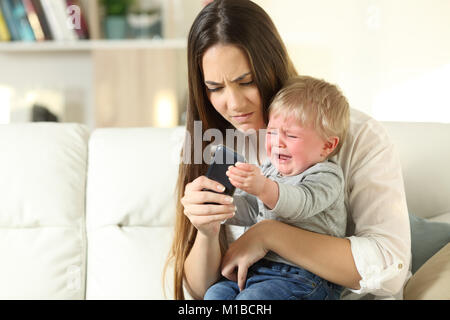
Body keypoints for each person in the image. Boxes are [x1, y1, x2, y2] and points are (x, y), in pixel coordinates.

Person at [165, 0, 411, 300]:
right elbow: (200, 293)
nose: (234, 104)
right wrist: (206, 230)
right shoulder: (212, 142)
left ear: (272, 65)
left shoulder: (355, 135)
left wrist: (270, 235)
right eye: (215, 88)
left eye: (247, 82)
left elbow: (390, 268)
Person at [203, 75, 350, 300]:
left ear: (327, 146)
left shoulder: (326, 175)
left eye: (291, 135)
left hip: (306, 277)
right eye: (271, 132)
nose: (278, 142)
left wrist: (263, 187)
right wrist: (223, 205)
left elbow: (300, 203)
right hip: (260, 270)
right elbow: (255, 210)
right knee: (216, 294)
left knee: (251, 302)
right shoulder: (271, 169)